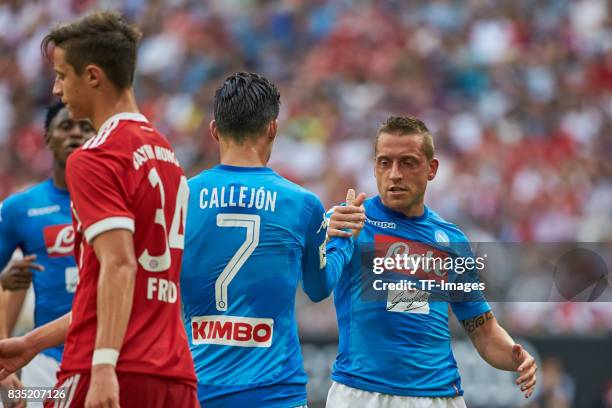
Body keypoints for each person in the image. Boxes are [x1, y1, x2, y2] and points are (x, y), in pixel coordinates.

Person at [0, 11, 197, 407]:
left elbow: (120, 266)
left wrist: (104, 365)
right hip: (173, 373)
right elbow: (123, 289)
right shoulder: (166, 154)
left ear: (92, 76)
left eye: (61, 74)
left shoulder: (95, 156)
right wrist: (32, 343)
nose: (55, 89)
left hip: (108, 369)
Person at [325, 116, 537, 407]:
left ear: (432, 169)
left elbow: (482, 329)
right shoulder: (349, 220)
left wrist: (515, 355)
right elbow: (315, 283)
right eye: (385, 163)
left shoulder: (451, 240)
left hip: (439, 396)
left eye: (408, 162)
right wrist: (324, 240)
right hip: (363, 394)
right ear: (375, 167)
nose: (395, 174)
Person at [181, 72, 364, 408]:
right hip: (275, 392)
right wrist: (342, 239)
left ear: (214, 130)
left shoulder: (182, 197)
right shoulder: (301, 204)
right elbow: (319, 287)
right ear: (273, 128)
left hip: (198, 388)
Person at [0, 102, 95, 400]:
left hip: (109, 356)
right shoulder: (20, 208)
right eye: (66, 127)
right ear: (47, 137)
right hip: (46, 361)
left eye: (85, 127)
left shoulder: (120, 202)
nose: (76, 134)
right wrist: (4, 279)